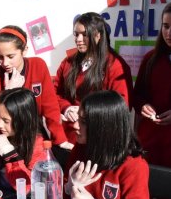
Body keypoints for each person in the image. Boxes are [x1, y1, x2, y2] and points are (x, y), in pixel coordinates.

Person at [64, 91, 149, 199]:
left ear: (104, 128)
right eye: (78, 118)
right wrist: (69, 188)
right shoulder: (81, 149)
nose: (75, 126)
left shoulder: (134, 166)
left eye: (83, 122)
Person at [0, 25, 72, 151]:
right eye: (0, 57)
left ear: (24, 50)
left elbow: (50, 107)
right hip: (6, 140)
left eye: (10, 56)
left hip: (35, 136)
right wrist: (9, 93)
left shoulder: (38, 65)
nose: (5, 63)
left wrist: (60, 139)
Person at [54, 12, 133, 144]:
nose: (78, 39)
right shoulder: (68, 62)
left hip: (99, 140)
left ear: (98, 36)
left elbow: (121, 107)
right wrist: (66, 108)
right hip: (68, 139)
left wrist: (86, 113)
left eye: (84, 34)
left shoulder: (116, 66)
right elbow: (54, 94)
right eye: (76, 34)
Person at [133, 2, 171, 199]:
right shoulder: (151, 59)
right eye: (166, 26)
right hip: (149, 142)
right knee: (141, 196)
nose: (169, 32)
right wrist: (142, 106)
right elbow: (137, 96)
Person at [0, 88, 45, 194]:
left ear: (23, 120)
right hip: (0, 195)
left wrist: (8, 152)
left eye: (5, 121)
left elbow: (26, 187)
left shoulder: (37, 146)